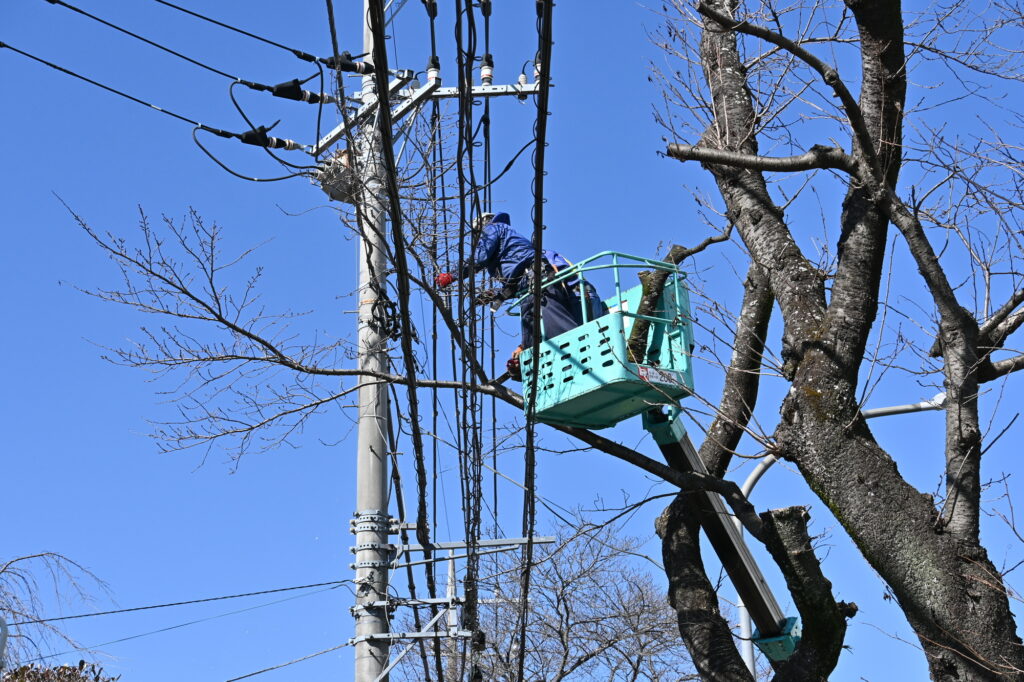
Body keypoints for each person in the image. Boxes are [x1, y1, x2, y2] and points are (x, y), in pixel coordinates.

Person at [434, 212, 591, 380]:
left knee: (553, 326)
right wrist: (496, 295)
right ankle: (528, 362)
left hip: (536, 280)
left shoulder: (494, 229)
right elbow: (514, 281)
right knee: (533, 327)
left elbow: (481, 258)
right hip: (530, 284)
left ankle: (577, 366)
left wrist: (453, 275)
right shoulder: (508, 244)